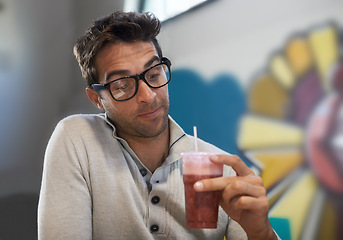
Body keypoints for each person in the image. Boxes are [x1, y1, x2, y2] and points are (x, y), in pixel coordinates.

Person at [38, 11, 279, 240]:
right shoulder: (77, 140)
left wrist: (261, 233)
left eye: (154, 74)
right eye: (122, 85)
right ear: (96, 99)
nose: (148, 96)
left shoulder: (220, 169)